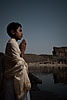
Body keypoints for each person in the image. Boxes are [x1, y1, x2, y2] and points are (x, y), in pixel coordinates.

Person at [4, 22, 31, 100]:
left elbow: (18, 60)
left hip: (13, 78)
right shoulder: (12, 43)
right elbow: (19, 63)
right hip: (12, 79)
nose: (22, 33)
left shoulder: (14, 43)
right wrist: (22, 51)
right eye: (20, 30)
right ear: (13, 32)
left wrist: (21, 50)